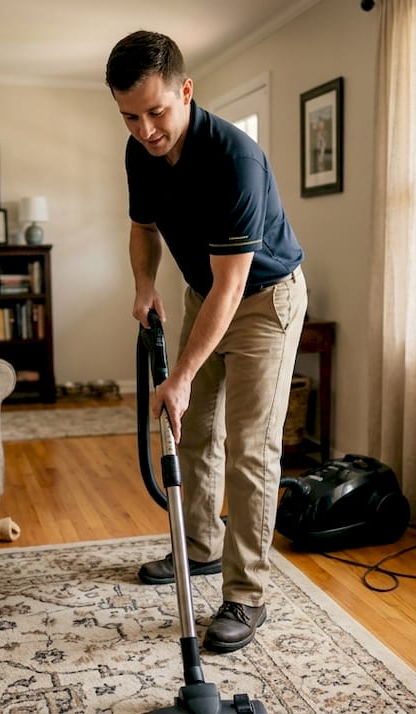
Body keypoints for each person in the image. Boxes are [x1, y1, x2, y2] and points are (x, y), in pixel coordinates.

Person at [105, 30, 308, 653]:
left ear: (186, 90)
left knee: (250, 448)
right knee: (192, 430)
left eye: (156, 112)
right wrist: (144, 284)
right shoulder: (140, 152)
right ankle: (199, 548)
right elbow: (143, 228)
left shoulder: (236, 160)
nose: (145, 130)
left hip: (263, 300)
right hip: (206, 292)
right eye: (130, 117)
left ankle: (246, 596)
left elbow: (233, 286)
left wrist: (182, 375)